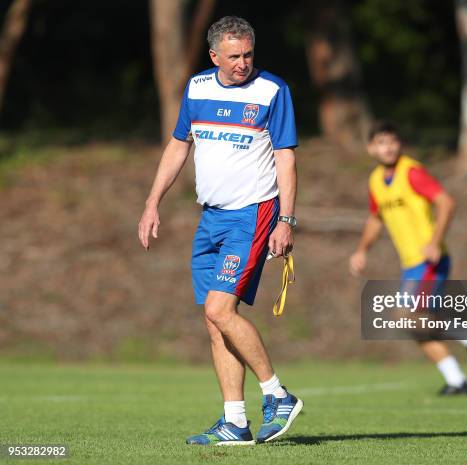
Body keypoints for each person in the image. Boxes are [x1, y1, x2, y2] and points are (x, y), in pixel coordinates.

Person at [138, 16, 302, 446]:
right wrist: (153, 201)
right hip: (210, 217)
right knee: (215, 322)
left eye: (248, 54)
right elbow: (179, 144)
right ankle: (235, 422)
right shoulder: (196, 88)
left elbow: (286, 157)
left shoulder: (272, 91)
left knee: (219, 311)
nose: (243, 63)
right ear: (214, 56)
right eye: (234, 56)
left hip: (252, 214)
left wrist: (286, 219)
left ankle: (277, 394)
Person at [349, 121, 467, 395]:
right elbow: (376, 219)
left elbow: (446, 202)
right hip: (410, 265)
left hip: (429, 261)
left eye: (392, 141)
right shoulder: (376, 179)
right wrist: (362, 250)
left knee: (406, 317)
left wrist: (435, 242)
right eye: (381, 142)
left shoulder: (411, 172)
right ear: (371, 147)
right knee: (414, 326)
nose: (387, 147)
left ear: (400, 144)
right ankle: (456, 380)